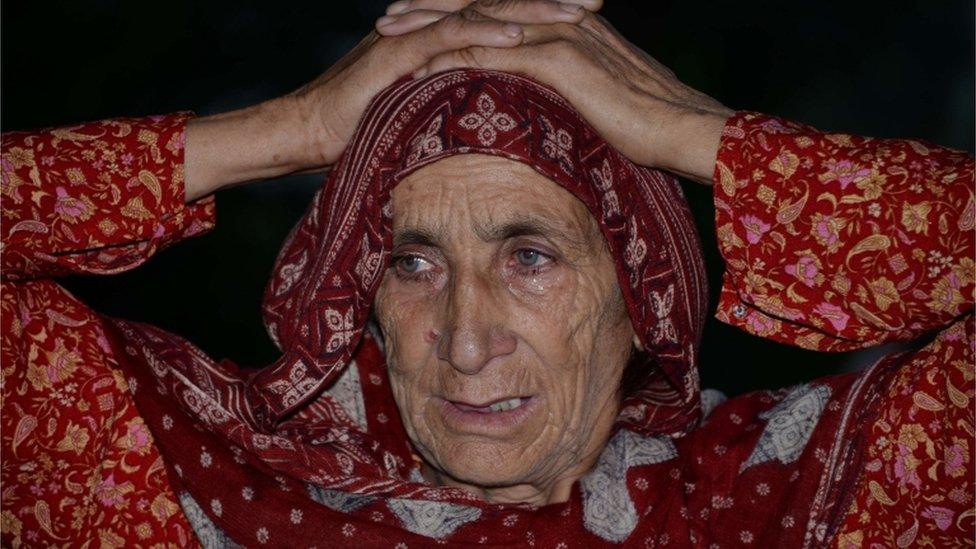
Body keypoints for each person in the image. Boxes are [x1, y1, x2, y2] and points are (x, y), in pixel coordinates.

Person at [2, 1, 971, 547]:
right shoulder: (202, 491)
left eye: (530, 256)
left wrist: (691, 134)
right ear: (357, 296)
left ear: (643, 291)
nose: (465, 340)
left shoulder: (778, 502)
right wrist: (281, 133)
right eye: (410, 261)